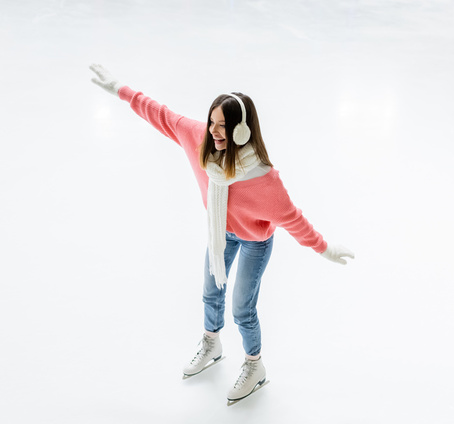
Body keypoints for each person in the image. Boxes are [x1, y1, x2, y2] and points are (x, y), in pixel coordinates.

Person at [89, 64, 354, 403]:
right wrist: (120, 89)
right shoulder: (200, 140)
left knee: (242, 308)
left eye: (224, 126)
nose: (214, 131)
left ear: (242, 131)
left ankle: (254, 365)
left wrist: (326, 249)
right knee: (210, 291)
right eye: (212, 122)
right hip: (221, 234)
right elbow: (162, 114)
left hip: (255, 241)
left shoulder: (263, 179)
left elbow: (294, 221)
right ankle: (211, 345)